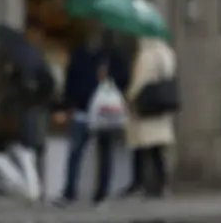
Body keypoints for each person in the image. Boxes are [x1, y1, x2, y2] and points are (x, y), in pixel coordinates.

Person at [56, 25, 129, 206]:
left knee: (104, 153)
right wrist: (69, 104)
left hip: (103, 112)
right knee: (76, 152)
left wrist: (109, 78)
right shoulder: (79, 55)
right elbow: (70, 81)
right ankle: (69, 192)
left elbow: (123, 79)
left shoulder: (113, 57)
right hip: (82, 109)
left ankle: (101, 193)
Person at [123, 38, 177, 198]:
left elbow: (139, 82)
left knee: (141, 147)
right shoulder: (168, 53)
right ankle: (162, 183)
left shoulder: (146, 56)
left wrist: (128, 97)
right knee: (157, 150)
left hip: (146, 109)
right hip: (160, 109)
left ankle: (139, 183)